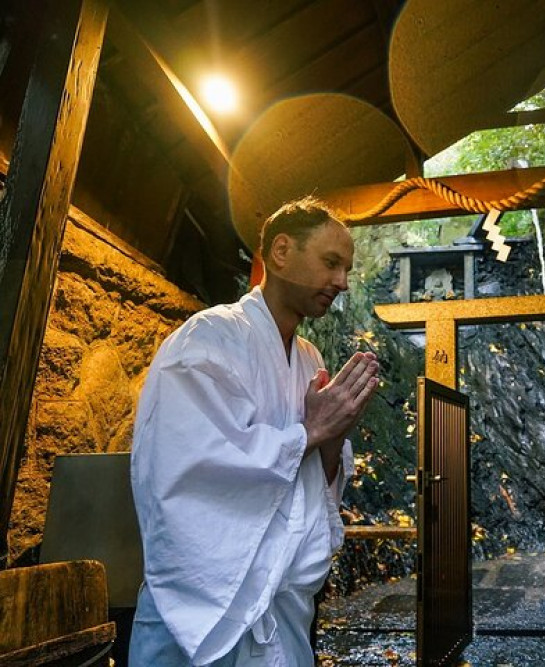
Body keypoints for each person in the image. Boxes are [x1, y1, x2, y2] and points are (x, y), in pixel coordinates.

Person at [130, 196, 379, 665]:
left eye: (346, 269)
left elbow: (315, 485)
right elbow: (195, 463)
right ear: (281, 252)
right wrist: (310, 430)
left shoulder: (310, 358)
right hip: (205, 606)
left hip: (282, 606)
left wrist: (336, 428)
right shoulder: (207, 339)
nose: (342, 282)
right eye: (331, 263)